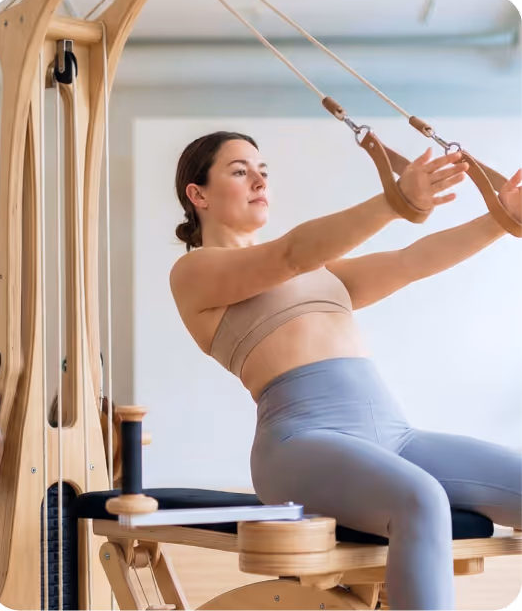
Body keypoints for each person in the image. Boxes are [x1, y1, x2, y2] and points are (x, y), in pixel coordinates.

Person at [169, 130, 522, 611]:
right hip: (300, 444)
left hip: (395, 436)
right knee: (420, 499)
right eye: (240, 170)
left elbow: (411, 261)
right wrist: (395, 202)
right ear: (198, 194)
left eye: (263, 171)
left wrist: (501, 219)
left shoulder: (318, 272)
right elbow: (290, 253)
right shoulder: (194, 273)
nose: (259, 180)